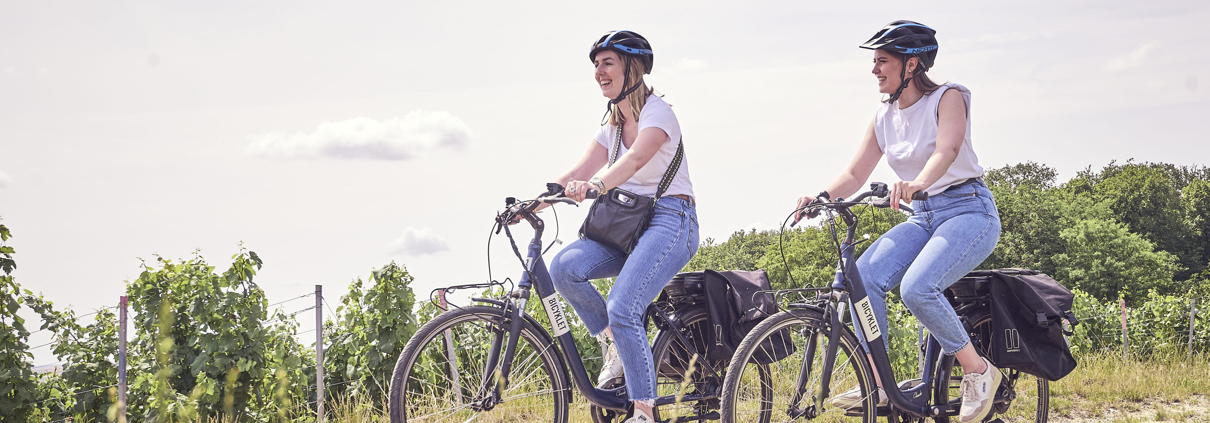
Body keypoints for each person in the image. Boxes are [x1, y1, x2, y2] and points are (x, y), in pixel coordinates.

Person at [793, 21, 1003, 423]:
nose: (874, 69)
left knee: (917, 288)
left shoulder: (949, 97)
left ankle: (978, 372)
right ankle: (877, 383)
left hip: (968, 210)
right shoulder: (883, 115)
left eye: (882, 61)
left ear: (911, 65)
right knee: (862, 276)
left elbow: (948, 148)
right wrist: (820, 197)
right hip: (923, 217)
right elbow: (854, 174)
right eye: (874, 61)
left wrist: (918, 182)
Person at [545, 30, 698, 423]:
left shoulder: (658, 113)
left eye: (607, 62)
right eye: (595, 65)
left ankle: (644, 410)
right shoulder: (611, 125)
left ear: (634, 68)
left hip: (672, 219)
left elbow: (633, 162)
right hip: (629, 225)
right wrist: (536, 202)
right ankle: (613, 341)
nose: (598, 71)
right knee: (564, 267)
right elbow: (577, 171)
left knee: (624, 304)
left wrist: (597, 185)